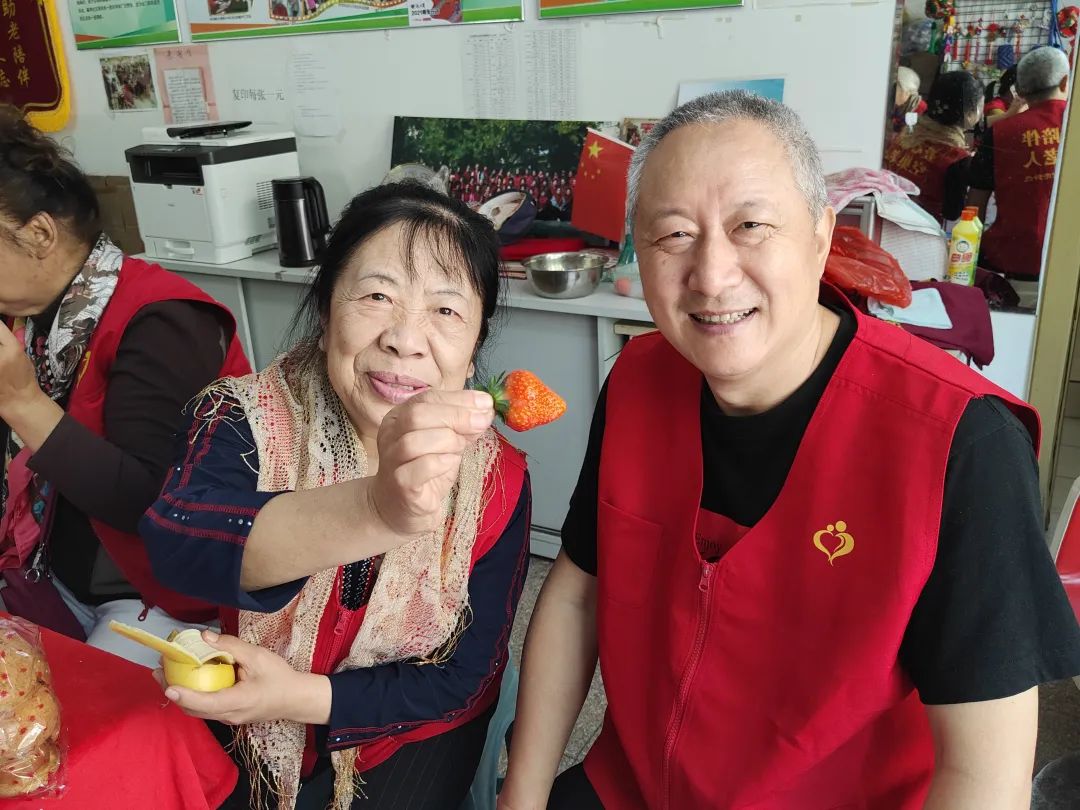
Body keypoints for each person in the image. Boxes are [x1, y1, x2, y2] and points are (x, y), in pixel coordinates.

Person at [499, 90, 1080, 810]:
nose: (712, 275)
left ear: (819, 235)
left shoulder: (963, 444)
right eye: (674, 234)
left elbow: (984, 777)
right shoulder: (638, 381)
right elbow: (577, 594)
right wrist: (521, 797)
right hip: (635, 786)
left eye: (751, 226)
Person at [140, 181, 531, 809]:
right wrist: (376, 510)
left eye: (446, 311)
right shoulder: (245, 418)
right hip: (248, 706)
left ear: (475, 345)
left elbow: (464, 675)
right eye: (377, 296)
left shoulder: (497, 478)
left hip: (406, 726)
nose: (405, 339)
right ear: (325, 315)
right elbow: (177, 542)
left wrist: (300, 697)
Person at [0, 106, 250, 663]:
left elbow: (148, 500)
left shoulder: (165, 320)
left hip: (157, 597)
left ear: (39, 234)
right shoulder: (33, 315)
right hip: (53, 568)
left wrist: (20, 401)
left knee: (70, 715)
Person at [968, 47, 1070, 280]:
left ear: (1020, 90)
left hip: (1011, 260)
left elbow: (974, 207)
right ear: (1065, 82)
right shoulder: (1072, 124)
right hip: (1069, 263)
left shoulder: (1000, 132)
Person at [884, 70, 981, 222]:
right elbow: (952, 213)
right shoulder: (956, 159)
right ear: (969, 113)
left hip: (885, 218)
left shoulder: (906, 135)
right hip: (919, 228)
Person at [891, 65, 927, 132]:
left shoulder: (917, 106)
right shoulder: (892, 100)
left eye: (897, 89)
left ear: (908, 91)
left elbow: (909, 130)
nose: (893, 93)